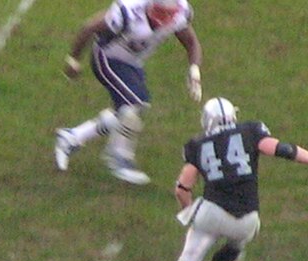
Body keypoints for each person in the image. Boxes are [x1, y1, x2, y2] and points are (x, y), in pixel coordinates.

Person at [146, 97, 308, 261]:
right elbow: (281, 149)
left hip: (211, 213)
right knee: (238, 243)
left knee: (187, 259)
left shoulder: (197, 145)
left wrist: (188, 210)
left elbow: (183, 187)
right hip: (247, 219)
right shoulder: (251, 131)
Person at [54, 0, 202, 185]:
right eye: (161, 14)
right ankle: (118, 157)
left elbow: (191, 41)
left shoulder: (179, 12)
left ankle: (72, 137)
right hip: (107, 57)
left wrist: (194, 68)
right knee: (133, 106)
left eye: (169, 16)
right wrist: (73, 60)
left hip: (132, 62)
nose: (165, 21)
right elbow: (89, 27)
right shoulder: (128, 11)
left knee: (131, 110)